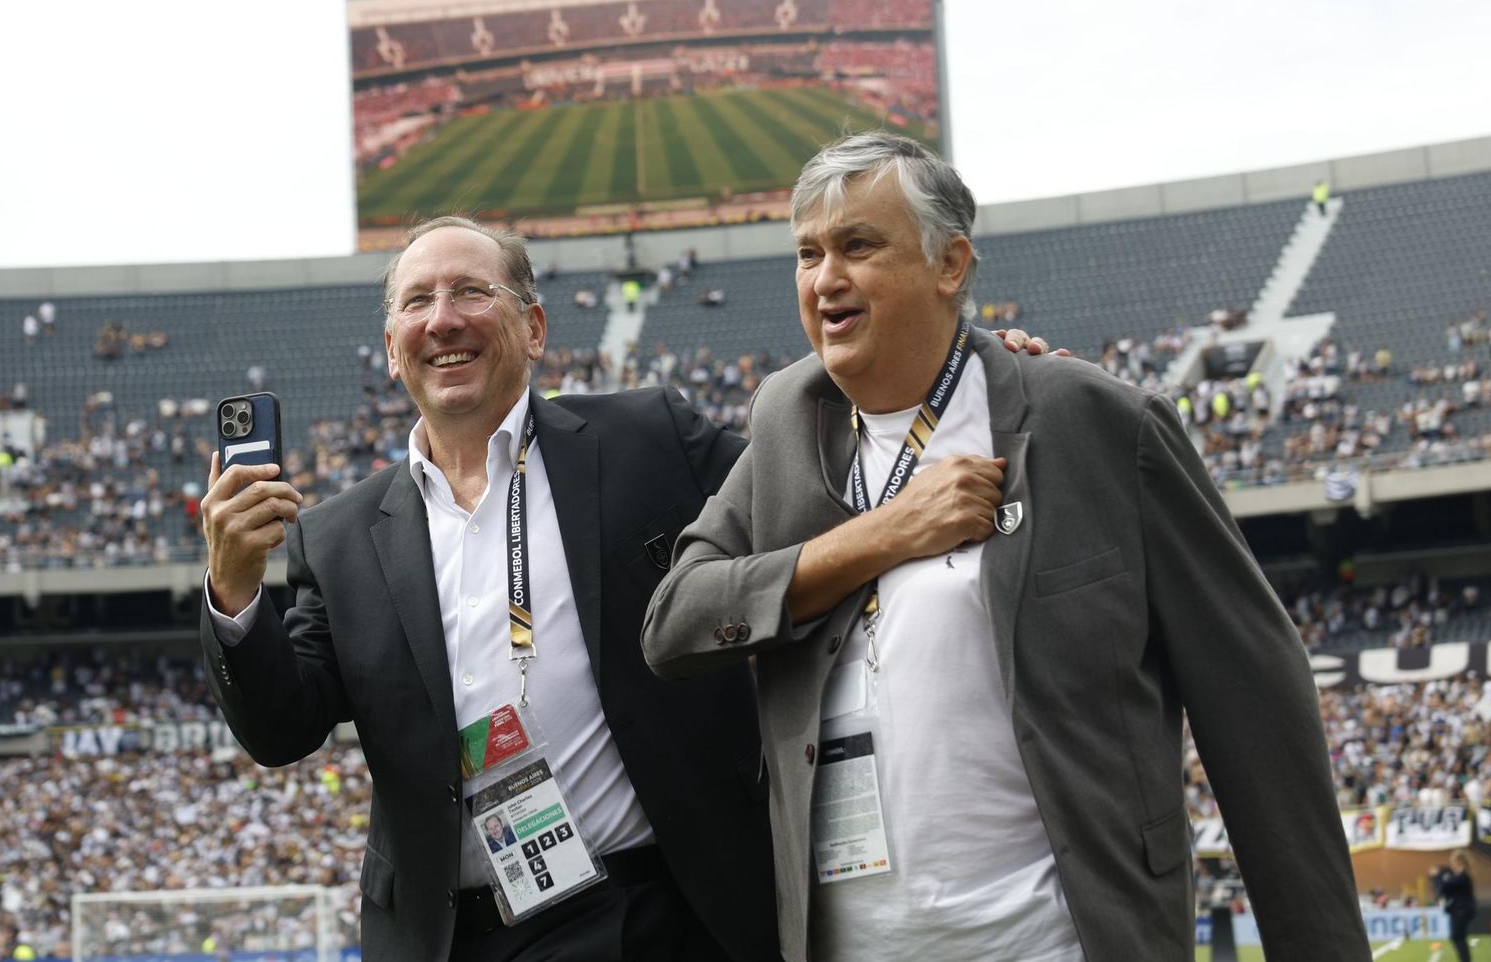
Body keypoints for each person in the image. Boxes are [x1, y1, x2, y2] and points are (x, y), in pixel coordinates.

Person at [642, 132, 1368, 961]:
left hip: (1062, 940)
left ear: (950, 265)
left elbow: (1255, 698)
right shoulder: (785, 418)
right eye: (807, 253)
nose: (824, 279)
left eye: (857, 246)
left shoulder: (1093, 422)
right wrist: (885, 534)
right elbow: (675, 623)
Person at [199, 216, 777, 962]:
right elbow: (282, 729)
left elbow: (790, 488)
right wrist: (234, 589)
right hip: (448, 940)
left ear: (533, 328)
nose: (442, 320)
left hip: (644, 914)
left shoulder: (647, 440)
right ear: (391, 350)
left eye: (470, 291)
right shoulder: (337, 539)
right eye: (416, 302)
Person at [1432, 849, 1476, 962]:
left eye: (1453, 861)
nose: (1452, 864)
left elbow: (1444, 887)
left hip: (1461, 911)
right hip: (1458, 911)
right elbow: (1446, 890)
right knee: (1458, 937)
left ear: (1459, 861)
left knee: (1458, 937)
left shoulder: (1462, 877)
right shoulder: (1459, 876)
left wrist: (1438, 877)